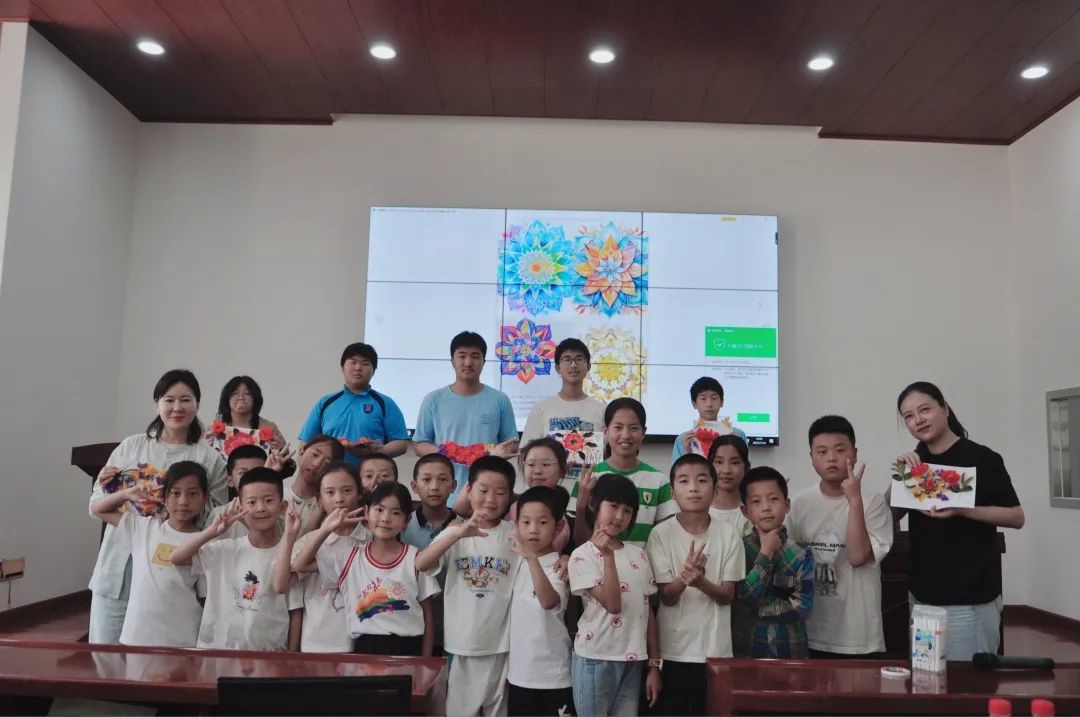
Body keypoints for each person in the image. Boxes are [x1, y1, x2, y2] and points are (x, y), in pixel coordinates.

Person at [88, 369, 227, 644]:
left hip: (172, 573)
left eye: (185, 400)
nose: (177, 408)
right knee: (106, 656)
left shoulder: (209, 458)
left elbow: (215, 516)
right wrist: (120, 491)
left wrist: (173, 511)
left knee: (160, 659)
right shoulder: (131, 446)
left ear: (197, 404)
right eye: (169, 400)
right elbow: (95, 505)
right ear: (157, 404)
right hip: (119, 565)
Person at [894, 381, 1024, 659]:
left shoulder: (983, 458)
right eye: (908, 416)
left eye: (925, 409)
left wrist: (963, 509)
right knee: (927, 679)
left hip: (969, 602)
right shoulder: (917, 463)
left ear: (945, 409)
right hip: (922, 599)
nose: (918, 420)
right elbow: (889, 516)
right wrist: (899, 478)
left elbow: (1016, 517)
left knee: (970, 683)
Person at [415, 456, 520, 716]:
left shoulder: (515, 534)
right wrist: (456, 534)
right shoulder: (455, 532)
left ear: (509, 497)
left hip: (501, 644)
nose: (491, 500)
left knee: (497, 709)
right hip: (460, 643)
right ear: (469, 491)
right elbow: (421, 564)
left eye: (500, 493)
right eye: (483, 491)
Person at [787, 415, 893, 658]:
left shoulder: (873, 502)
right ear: (811, 457)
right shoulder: (799, 503)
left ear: (854, 454)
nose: (831, 458)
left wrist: (854, 500)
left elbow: (857, 557)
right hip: (808, 631)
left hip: (857, 636)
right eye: (822, 451)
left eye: (840, 450)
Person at [293, 481, 440, 656]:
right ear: (366, 512)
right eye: (379, 510)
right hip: (365, 647)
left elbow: (427, 614)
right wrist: (325, 529)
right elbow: (300, 565)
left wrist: (425, 662)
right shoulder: (351, 558)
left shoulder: (415, 558)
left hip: (409, 648)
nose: (385, 518)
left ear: (406, 521)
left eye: (396, 512)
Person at [647, 454, 744, 716]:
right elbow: (667, 597)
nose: (693, 488)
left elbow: (727, 596)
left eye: (702, 480)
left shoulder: (729, 534)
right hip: (672, 651)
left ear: (714, 487)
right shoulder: (660, 534)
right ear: (672, 492)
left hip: (716, 653)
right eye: (684, 481)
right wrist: (684, 579)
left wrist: (700, 582)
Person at [171, 468, 304, 651]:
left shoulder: (290, 553)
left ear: (283, 507)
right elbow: (177, 558)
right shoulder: (224, 549)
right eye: (252, 502)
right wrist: (211, 532)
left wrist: (291, 656)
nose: (260, 508)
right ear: (241, 507)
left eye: (268, 501)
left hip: (269, 654)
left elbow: (295, 610)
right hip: (217, 653)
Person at [568, 474, 661, 717]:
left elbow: (647, 612)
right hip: (595, 658)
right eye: (613, 506)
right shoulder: (582, 555)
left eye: (627, 510)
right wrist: (608, 557)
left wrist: (654, 665)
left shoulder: (638, 555)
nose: (620, 516)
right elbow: (613, 604)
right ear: (594, 505)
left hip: (633, 659)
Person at [90, 461, 208, 647]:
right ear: (164, 496)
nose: (183, 501)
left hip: (181, 638)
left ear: (205, 497)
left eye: (193, 493)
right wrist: (126, 494)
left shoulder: (205, 542)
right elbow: (98, 510)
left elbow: (205, 596)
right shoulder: (143, 528)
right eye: (175, 493)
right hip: (137, 636)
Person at [413, 331, 519, 502]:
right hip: (444, 494)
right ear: (452, 361)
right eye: (462, 356)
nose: (468, 362)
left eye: (475, 356)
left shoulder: (500, 400)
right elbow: (419, 444)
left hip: (487, 494)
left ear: (484, 362)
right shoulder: (433, 400)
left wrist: (493, 455)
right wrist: (451, 453)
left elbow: (511, 443)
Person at [274, 460, 365, 653]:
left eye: (347, 491)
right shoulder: (309, 541)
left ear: (359, 493)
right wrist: (324, 531)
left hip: (362, 645)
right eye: (330, 492)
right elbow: (281, 584)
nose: (339, 499)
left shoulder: (373, 540)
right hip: (316, 644)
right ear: (319, 499)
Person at [733, 466, 813, 658]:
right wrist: (765, 553)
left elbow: (802, 607)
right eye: (756, 501)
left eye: (773, 499)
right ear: (745, 511)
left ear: (787, 505)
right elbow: (744, 596)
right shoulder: (738, 548)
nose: (766, 507)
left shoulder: (800, 553)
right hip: (747, 649)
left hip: (790, 651)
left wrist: (757, 609)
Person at [507, 486, 574, 716]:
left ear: (559, 526)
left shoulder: (559, 568)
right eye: (525, 522)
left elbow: (548, 602)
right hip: (518, 676)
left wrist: (532, 558)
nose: (533, 530)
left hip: (553, 678)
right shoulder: (516, 563)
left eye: (542, 523)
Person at [573, 398, 672, 546]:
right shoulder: (589, 477)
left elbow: (664, 539)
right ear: (606, 431)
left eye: (634, 428)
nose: (625, 435)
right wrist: (581, 506)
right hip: (595, 560)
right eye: (618, 427)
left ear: (643, 433)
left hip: (642, 560)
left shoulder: (660, 481)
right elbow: (579, 542)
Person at [520, 338, 606, 497]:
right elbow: (526, 452)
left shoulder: (601, 409)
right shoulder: (542, 408)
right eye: (567, 359)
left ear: (588, 366)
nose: (573, 365)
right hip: (548, 494)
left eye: (579, 359)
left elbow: (608, 454)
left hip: (589, 494)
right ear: (557, 368)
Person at [298, 342, 410, 464]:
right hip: (330, 473)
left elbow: (401, 444)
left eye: (365, 363)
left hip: (370, 473)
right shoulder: (325, 403)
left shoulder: (385, 403)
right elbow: (306, 443)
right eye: (352, 362)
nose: (358, 368)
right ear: (342, 368)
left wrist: (377, 451)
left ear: (373, 371)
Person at [203, 375, 288, 462]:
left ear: (255, 398)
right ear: (227, 398)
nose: (241, 397)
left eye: (247, 393)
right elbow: (201, 463)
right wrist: (205, 448)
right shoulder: (213, 429)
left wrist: (280, 450)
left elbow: (289, 464)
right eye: (235, 393)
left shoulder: (269, 427)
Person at [671, 377, 747, 463]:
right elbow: (676, 471)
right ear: (694, 404)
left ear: (722, 402)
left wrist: (738, 446)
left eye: (714, 398)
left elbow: (747, 468)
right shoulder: (683, 440)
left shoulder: (738, 435)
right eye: (703, 399)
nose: (709, 404)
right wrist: (687, 454)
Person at [402, 454, 457, 553]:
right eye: (426, 479)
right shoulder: (403, 524)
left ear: (453, 485)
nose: (434, 487)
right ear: (414, 486)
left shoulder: (463, 526)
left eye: (442, 479)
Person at [707, 435, 752, 536]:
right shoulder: (698, 508)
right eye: (719, 462)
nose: (726, 470)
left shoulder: (754, 510)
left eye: (735, 462)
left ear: (745, 466)